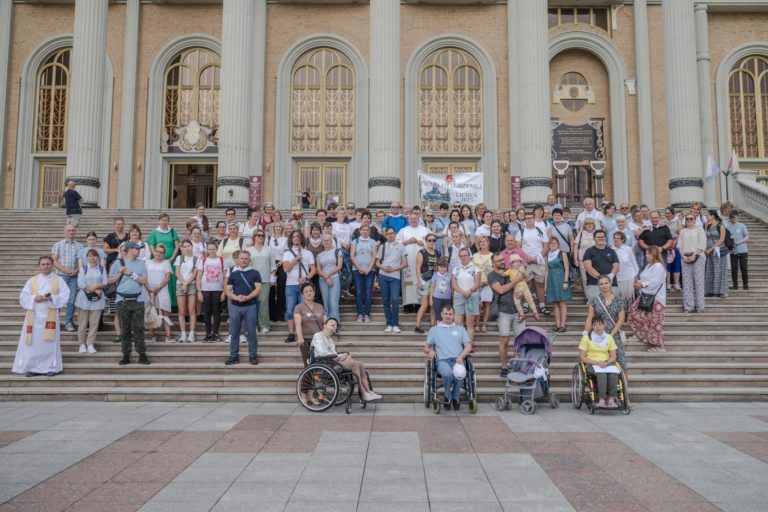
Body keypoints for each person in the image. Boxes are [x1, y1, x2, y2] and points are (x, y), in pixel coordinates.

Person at [12, 256, 70, 377]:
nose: (45, 266)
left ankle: (50, 367)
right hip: (34, 315)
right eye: (43, 264)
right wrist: (34, 298)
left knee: (49, 343)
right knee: (33, 343)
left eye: (48, 264)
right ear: (39, 266)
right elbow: (23, 297)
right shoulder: (32, 280)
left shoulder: (58, 280)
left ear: (52, 265)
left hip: (50, 315)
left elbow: (65, 295)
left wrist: (51, 298)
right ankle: (32, 367)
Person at [311, 318, 381, 401]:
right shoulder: (318, 336)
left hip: (332, 361)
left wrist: (342, 355)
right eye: (331, 324)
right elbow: (322, 353)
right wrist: (336, 357)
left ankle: (369, 391)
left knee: (360, 363)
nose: (334, 326)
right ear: (324, 325)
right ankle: (364, 393)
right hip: (324, 363)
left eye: (336, 325)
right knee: (355, 364)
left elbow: (334, 353)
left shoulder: (330, 340)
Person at [424, 304, 473, 410]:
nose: (448, 316)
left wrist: (461, 356)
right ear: (441, 314)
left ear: (453, 315)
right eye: (445, 314)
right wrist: (430, 351)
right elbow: (426, 348)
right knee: (448, 374)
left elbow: (468, 346)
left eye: (450, 314)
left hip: (458, 359)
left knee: (460, 373)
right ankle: (448, 396)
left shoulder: (460, 329)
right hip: (442, 361)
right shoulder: (434, 330)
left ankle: (455, 397)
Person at [109, 241, 150, 365]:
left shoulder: (142, 263)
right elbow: (110, 280)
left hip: (137, 300)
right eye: (138, 249)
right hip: (122, 300)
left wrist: (130, 273)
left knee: (139, 329)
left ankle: (142, 354)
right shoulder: (118, 263)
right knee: (125, 330)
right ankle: (126, 355)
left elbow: (143, 280)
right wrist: (120, 273)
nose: (139, 251)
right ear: (131, 249)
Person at [487, 256, 527, 378]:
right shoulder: (492, 275)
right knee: (504, 340)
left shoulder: (512, 271)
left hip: (517, 309)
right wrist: (515, 281)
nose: (502, 262)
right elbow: (500, 290)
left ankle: (518, 364)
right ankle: (504, 366)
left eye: (502, 260)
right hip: (503, 311)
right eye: (499, 260)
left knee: (520, 340)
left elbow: (523, 285)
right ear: (493, 262)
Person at [224, 251, 262, 365]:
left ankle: (253, 356)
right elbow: (227, 290)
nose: (244, 260)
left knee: (251, 333)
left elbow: (258, 289)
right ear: (238, 260)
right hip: (236, 306)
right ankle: (234, 356)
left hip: (250, 305)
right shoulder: (233, 274)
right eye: (241, 258)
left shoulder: (255, 273)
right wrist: (235, 297)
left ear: (249, 260)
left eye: (246, 258)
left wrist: (247, 297)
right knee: (234, 333)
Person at [628, 246, 667, 353]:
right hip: (645, 296)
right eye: (646, 253)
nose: (646, 255)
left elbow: (656, 282)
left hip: (656, 299)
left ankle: (659, 346)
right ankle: (640, 335)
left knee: (655, 322)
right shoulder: (649, 265)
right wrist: (638, 282)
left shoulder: (658, 266)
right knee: (634, 313)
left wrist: (641, 284)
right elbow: (646, 278)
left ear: (654, 254)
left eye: (648, 253)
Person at [584, 275, 626, 371]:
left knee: (622, 363)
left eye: (606, 283)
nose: (604, 286)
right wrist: (585, 333)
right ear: (598, 286)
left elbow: (621, 319)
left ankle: (624, 386)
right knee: (599, 361)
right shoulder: (594, 301)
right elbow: (590, 318)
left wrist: (611, 334)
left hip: (613, 335)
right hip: (598, 334)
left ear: (610, 284)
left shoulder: (619, 300)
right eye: (601, 284)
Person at [578, 316, 620, 409]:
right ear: (592, 326)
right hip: (592, 363)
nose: (598, 326)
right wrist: (596, 362)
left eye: (600, 324)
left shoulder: (609, 337)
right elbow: (582, 357)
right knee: (602, 374)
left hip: (606, 362)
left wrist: (606, 362)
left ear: (604, 325)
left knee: (613, 374)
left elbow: (613, 356)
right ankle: (601, 400)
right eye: (595, 324)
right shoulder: (586, 338)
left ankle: (611, 400)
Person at [283, 230, 316, 343]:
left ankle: (304, 333)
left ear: (301, 238)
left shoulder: (308, 253)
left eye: (298, 236)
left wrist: (305, 278)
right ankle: (291, 333)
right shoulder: (287, 253)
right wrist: (295, 259)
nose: (296, 238)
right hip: (291, 285)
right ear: (291, 239)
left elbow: (313, 270)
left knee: (305, 309)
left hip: (304, 286)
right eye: (294, 237)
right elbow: (286, 269)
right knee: (290, 310)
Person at [516, 212, 550, 315]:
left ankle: (542, 305)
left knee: (539, 284)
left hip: (538, 262)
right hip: (526, 263)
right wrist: (527, 259)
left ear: (534, 219)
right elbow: (518, 247)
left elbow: (546, 246)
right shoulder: (520, 232)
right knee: (527, 284)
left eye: (531, 218)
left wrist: (537, 258)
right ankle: (526, 305)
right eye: (527, 218)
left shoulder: (541, 231)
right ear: (524, 220)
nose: (529, 220)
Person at [75, 249, 107, 354]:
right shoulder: (83, 268)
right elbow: (81, 284)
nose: (92, 258)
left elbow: (105, 282)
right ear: (87, 258)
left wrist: (97, 287)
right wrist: (95, 289)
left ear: (97, 257)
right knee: (82, 323)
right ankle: (81, 344)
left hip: (97, 299)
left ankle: (90, 344)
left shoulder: (102, 269)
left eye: (94, 256)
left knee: (94, 323)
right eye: (89, 256)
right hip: (84, 298)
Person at [376, 227, 408, 333]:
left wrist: (394, 268)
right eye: (388, 234)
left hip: (395, 276)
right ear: (385, 235)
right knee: (385, 300)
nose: (390, 235)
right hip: (383, 275)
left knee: (394, 300)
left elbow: (405, 263)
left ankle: (395, 324)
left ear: (395, 234)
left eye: (392, 233)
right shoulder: (382, 246)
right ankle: (389, 323)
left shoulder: (401, 246)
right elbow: (377, 262)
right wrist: (383, 267)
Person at [51, 224, 83, 332]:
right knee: (58, 299)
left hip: (74, 277)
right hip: (61, 276)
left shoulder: (80, 246)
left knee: (72, 300)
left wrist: (76, 271)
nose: (71, 232)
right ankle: (55, 322)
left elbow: (81, 263)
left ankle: (69, 322)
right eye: (69, 231)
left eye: (73, 231)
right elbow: (54, 261)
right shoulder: (58, 245)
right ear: (65, 232)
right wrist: (65, 270)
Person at [397, 212, 431, 310]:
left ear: (418, 219)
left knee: (420, 280)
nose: (413, 220)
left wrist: (424, 243)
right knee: (408, 282)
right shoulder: (403, 230)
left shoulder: (425, 230)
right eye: (411, 218)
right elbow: (397, 242)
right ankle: (408, 304)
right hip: (408, 261)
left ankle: (419, 304)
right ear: (408, 220)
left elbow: (432, 241)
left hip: (422, 261)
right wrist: (408, 241)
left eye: (415, 218)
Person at [147, 214, 180, 308]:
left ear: (168, 221)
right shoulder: (154, 232)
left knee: (171, 282)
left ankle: (173, 304)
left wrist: (172, 258)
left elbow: (177, 246)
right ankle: (158, 304)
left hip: (171, 260)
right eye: (162, 220)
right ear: (159, 221)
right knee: (161, 280)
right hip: (158, 260)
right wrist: (157, 256)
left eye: (166, 220)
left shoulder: (172, 231)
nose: (164, 222)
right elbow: (152, 246)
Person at [247, 229, 275, 333]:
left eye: (262, 235)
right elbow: (246, 264)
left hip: (265, 280)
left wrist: (272, 278)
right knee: (252, 303)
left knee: (263, 302)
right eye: (258, 235)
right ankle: (254, 325)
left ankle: (264, 325)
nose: (260, 237)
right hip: (251, 281)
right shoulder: (249, 249)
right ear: (254, 237)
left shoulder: (269, 249)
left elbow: (273, 264)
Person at [678, 213, 707, 313]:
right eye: (687, 219)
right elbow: (679, 246)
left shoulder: (700, 230)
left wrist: (694, 255)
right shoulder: (683, 231)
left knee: (699, 282)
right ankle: (688, 306)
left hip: (698, 257)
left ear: (695, 220)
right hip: (685, 258)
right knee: (687, 283)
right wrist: (683, 256)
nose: (689, 220)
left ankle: (700, 307)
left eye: (691, 219)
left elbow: (702, 243)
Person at [196, 241, 225, 342]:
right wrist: (199, 291)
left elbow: (225, 277)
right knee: (207, 311)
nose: (212, 251)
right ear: (207, 250)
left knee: (216, 311)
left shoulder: (221, 260)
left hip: (218, 289)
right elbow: (199, 277)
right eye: (210, 249)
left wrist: (224, 292)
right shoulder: (203, 260)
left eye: (213, 249)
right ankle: (208, 333)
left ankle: (215, 334)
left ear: (217, 249)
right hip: (205, 289)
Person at [145, 243, 173, 343]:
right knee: (151, 312)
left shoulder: (166, 263)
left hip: (162, 290)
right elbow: (144, 277)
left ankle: (169, 336)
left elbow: (167, 277)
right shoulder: (147, 262)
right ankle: (152, 335)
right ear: (154, 251)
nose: (159, 254)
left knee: (164, 312)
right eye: (157, 251)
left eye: (161, 252)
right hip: (149, 291)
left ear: (164, 254)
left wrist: (158, 287)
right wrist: (149, 289)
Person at [294, 282, 327, 365]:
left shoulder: (320, 306)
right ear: (302, 294)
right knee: (308, 364)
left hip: (319, 339)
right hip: (306, 340)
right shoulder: (299, 307)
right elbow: (298, 324)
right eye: (306, 292)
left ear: (314, 293)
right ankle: (307, 378)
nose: (309, 293)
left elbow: (325, 322)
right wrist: (300, 338)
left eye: (310, 291)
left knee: (321, 363)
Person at [452, 248, 481, 341]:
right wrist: (463, 292)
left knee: (470, 324)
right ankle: (457, 345)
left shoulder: (476, 268)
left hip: (471, 297)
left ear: (469, 256)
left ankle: (469, 345)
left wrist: (469, 291)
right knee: (457, 323)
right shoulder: (455, 269)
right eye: (461, 256)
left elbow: (477, 283)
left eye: (465, 255)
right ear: (459, 257)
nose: (463, 257)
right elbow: (453, 285)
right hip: (459, 297)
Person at [582, 230, 619, 302]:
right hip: (594, 284)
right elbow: (588, 267)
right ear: (594, 239)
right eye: (598, 237)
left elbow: (616, 266)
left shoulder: (611, 251)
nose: (601, 238)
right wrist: (601, 278)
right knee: (595, 308)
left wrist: (610, 276)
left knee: (611, 308)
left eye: (602, 237)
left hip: (611, 284)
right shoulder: (589, 251)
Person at [350, 224, 377, 323]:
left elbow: (374, 256)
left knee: (368, 293)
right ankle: (360, 314)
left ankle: (367, 314)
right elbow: (352, 256)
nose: (365, 231)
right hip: (357, 271)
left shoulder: (373, 242)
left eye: (367, 230)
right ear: (360, 231)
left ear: (369, 232)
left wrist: (369, 269)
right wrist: (359, 268)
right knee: (359, 292)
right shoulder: (355, 241)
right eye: (363, 230)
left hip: (370, 271)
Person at [174, 240, 199, 343]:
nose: (187, 248)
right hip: (180, 284)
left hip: (191, 285)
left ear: (192, 246)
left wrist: (186, 284)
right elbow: (177, 272)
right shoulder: (179, 258)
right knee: (181, 311)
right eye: (184, 247)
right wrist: (183, 283)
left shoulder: (196, 259)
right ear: (182, 249)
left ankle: (191, 334)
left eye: (188, 246)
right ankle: (183, 334)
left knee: (192, 310)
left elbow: (194, 274)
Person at [544, 237, 572, 332]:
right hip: (551, 279)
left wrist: (565, 281)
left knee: (562, 302)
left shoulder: (562, 253)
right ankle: (558, 324)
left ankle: (563, 325)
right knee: (555, 303)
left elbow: (567, 268)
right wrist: (545, 285)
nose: (552, 244)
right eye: (551, 243)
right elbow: (547, 270)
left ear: (558, 244)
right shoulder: (547, 255)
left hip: (560, 278)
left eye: (555, 243)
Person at [315, 234, 343, 327]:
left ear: (331, 242)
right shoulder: (319, 255)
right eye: (325, 240)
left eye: (328, 240)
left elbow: (339, 266)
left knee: (333, 302)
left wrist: (328, 276)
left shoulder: (337, 251)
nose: (326, 242)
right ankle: (328, 325)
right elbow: (318, 270)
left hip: (334, 278)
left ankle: (335, 324)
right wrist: (326, 277)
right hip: (323, 280)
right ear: (322, 242)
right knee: (326, 303)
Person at [503, 254, 540, 321]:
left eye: (520, 262)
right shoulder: (510, 270)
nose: (519, 263)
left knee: (530, 299)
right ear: (512, 263)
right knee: (516, 302)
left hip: (524, 285)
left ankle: (535, 313)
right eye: (516, 262)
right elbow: (504, 274)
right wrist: (502, 272)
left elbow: (526, 277)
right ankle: (522, 314)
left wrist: (523, 272)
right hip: (516, 287)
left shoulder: (521, 269)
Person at [415, 233, 439, 333]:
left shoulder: (438, 253)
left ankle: (432, 324)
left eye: (433, 240)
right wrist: (419, 281)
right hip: (425, 280)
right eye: (429, 240)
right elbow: (417, 268)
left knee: (432, 303)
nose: (431, 242)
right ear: (426, 241)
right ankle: (417, 325)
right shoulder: (421, 252)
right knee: (425, 304)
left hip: (435, 281)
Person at [704, 209, 730, 298]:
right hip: (709, 252)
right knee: (710, 270)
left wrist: (711, 248)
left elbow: (721, 239)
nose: (706, 217)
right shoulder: (708, 226)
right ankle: (710, 290)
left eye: (707, 215)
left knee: (719, 271)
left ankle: (722, 291)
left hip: (718, 251)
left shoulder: (720, 225)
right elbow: (705, 237)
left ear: (713, 216)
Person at [472, 236, 494, 333]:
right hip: (477, 283)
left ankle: (484, 324)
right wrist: (477, 282)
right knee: (478, 305)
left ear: (488, 243)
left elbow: (495, 271)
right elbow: (472, 271)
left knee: (487, 304)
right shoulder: (475, 256)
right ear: (479, 244)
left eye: (484, 241)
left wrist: (489, 281)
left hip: (488, 283)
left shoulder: (493, 255)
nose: (483, 243)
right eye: (481, 242)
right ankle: (477, 324)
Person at [267, 221, 288, 323]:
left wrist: (281, 262)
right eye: (276, 226)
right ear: (273, 227)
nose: (278, 228)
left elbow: (287, 252)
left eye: (280, 226)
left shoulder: (285, 239)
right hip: (270, 264)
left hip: (281, 264)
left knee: (281, 290)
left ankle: (280, 315)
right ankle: (271, 316)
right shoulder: (268, 239)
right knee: (271, 290)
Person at [612, 231, 639, 309]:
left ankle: (630, 315)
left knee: (629, 298)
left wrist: (636, 276)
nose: (615, 240)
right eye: (614, 238)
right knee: (617, 297)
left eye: (618, 238)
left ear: (623, 240)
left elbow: (634, 263)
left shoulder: (628, 249)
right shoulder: (610, 249)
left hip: (629, 277)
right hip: (616, 278)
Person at [727, 210, 749, 290]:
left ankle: (745, 284)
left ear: (737, 217)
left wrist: (738, 242)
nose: (733, 219)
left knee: (744, 267)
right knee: (734, 268)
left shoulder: (742, 225)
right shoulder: (728, 226)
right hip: (733, 251)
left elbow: (747, 237)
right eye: (731, 218)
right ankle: (735, 285)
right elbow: (727, 238)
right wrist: (731, 246)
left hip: (743, 250)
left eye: (734, 217)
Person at [573, 217, 596, 290]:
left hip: (595, 260)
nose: (589, 225)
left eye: (591, 223)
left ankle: (596, 297)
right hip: (582, 259)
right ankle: (589, 297)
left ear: (593, 225)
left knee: (595, 277)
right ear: (584, 225)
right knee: (585, 279)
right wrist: (575, 260)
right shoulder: (581, 234)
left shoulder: (597, 233)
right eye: (587, 224)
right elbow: (576, 247)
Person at [663, 207, 682, 290]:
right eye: (666, 213)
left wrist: (675, 242)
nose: (667, 215)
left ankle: (676, 283)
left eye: (669, 213)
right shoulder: (663, 221)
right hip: (666, 243)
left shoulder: (678, 220)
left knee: (676, 263)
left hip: (676, 243)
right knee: (667, 264)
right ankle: (668, 283)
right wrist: (668, 244)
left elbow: (680, 232)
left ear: (672, 213)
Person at [429, 257, 452, 324]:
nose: (443, 268)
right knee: (438, 315)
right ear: (438, 267)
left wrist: (452, 298)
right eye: (441, 267)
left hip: (447, 298)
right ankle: (439, 327)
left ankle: (446, 327)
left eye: (444, 267)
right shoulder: (435, 275)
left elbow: (451, 287)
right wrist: (430, 299)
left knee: (446, 314)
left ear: (447, 267)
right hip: (437, 298)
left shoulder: (449, 275)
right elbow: (432, 287)